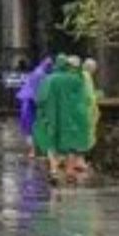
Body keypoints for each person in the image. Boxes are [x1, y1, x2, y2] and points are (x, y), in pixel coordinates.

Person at [36, 55, 92, 183]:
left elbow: (41, 99)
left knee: (51, 143)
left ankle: (54, 169)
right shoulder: (76, 79)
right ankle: (70, 170)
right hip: (71, 117)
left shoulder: (48, 80)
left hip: (52, 116)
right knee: (71, 145)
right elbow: (84, 99)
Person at [17, 56, 53, 157]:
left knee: (30, 129)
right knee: (32, 129)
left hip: (28, 103)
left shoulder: (38, 72)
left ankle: (34, 151)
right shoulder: (41, 74)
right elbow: (37, 93)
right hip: (31, 104)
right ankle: (34, 151)